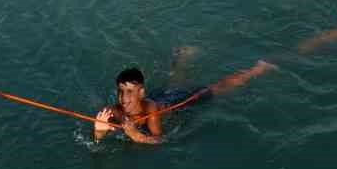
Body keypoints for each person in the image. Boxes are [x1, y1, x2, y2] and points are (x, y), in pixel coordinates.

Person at [93, 60, 273, 145]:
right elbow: (95, 143)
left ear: (141, 93)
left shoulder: (152, 111)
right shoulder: (114, 110)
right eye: (121, 92)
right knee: (172, 85)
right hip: (159, 96)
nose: (124, 98)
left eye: (130, 92)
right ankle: (183, 58)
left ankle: (256, 69)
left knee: (216, 89)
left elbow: (159, 139)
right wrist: (98, 132)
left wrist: (136, 136)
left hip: (173, 104)